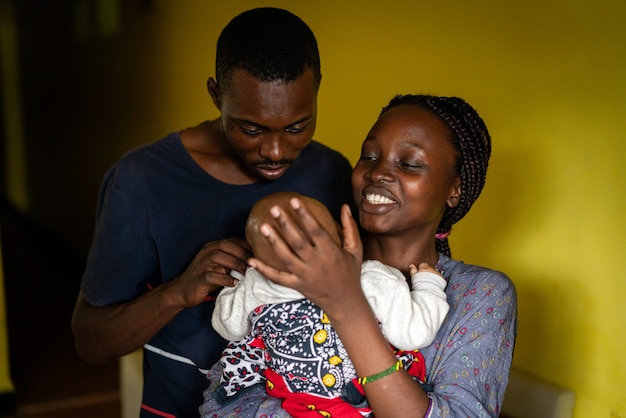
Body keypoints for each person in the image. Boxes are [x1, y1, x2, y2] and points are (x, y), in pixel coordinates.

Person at [70, 7, 354, 418]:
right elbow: (90, 342)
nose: (275, 152)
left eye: (297, 127)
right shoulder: (142, 181)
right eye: (251, 129)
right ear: (216, 94)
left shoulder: (332, 173)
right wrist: (179, 291)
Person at [204, 94, 517, 417]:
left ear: (454, 189)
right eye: (368, 157)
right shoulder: (298, 264)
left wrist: (346, 304)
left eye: (408, 163)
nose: (377, 173)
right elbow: (234, 392)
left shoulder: (481, 293)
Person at [205, 191, 448, 416]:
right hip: (369, 402)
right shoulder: (373, 279)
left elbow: (227, 326)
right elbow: (415, 334)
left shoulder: (254, 286)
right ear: (345, 236)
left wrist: (236, 281)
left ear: (257, 258)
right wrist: (429, 286)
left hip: (296, 406)